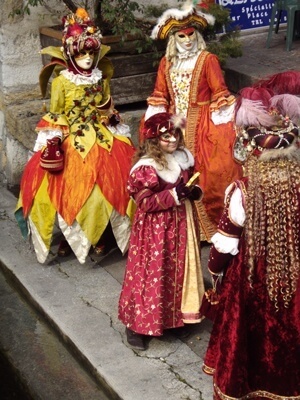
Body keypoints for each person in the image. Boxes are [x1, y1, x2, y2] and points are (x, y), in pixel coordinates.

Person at [15, 8, 136, 264]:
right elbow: (56, 113)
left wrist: (110, 117)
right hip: (71, 137)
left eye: (92, 53)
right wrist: (53, 140)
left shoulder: (100, 77)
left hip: (101, 136)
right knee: (64, 188)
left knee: (111, 184)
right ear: (71, 53)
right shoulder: (61, 82)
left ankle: (101, 234)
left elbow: (106, 105)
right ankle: (71, 238)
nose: (88, 59)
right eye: (82, 53)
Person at [202, 85, 300, 399]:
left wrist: (215, 275)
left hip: (253, 278)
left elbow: (225, 246)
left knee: (251, 337)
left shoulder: (242, 191)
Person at [142, 0, 243, 241]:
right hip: (175, 124)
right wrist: (156, 121)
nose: (187, 40)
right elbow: (160, 95)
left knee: (215, 170)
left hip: (205, 123)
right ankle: (184, 227)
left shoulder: (207, 60)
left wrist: (224, 124)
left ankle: (213, 228)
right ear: (173, 38)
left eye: (190, 35)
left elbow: (220, 92)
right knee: (171, 171)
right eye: (181, 36)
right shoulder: (166, 63)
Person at [118, 112, 205, 351]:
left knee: (177, 271)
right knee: (152, 273)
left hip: (182, 224)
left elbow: (192, 184)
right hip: (155, 231)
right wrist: (176, 195)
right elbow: (144, 203)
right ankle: (136, 325)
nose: (173, 140)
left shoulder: (184, 158)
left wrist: (193, 192)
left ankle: (172, 319)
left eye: (175, 134)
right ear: (154, 140)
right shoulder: (146, 167)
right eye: (166, 136)